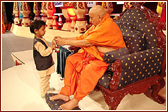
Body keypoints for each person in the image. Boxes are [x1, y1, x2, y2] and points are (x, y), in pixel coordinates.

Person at [50, 5, 126, 110]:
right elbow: (82, 37)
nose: (89, 20)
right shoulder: (98, 25)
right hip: (94, 54)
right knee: (71, 60)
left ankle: (76, 100)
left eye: (91, 18)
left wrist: (64, 42)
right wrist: (63, 38)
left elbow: (86, 42)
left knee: (88, 69)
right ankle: (65, 93)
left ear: (99, 17)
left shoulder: (107, 25)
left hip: (106, 58)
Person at [30, 20, 56, 98]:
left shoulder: (40, 38)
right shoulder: (37, 42)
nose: (44, 31)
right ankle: (43, 93)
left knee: (47, 77)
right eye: (43, 29)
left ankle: (47, 88)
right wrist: (52, 48)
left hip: (45, 63)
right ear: (36, 31)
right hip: (42, 65)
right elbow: (43, 53)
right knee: (44, 79)